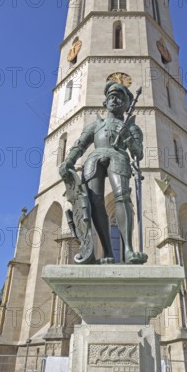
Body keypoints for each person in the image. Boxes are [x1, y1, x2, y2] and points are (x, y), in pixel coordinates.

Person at [60, 82, 147, 264]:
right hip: (94, 159)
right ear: (105, 102)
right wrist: (68, 161)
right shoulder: (95, 125)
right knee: (94, 202)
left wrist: (127, 137)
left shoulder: (132, 127)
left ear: (125, 105)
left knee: (122, 196)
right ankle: (107, 251)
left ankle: (129, 250)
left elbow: (138, 153)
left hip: (118, 157)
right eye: (111, 97)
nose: (114, 100)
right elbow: (80, 145)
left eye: (120, 98)